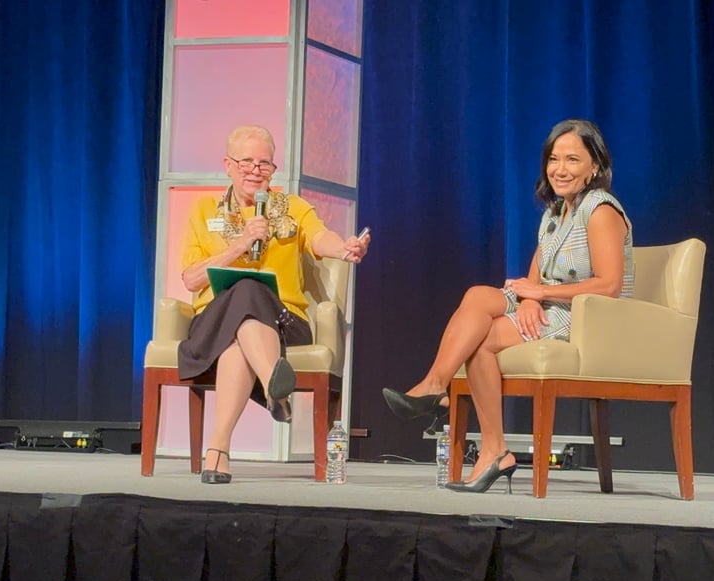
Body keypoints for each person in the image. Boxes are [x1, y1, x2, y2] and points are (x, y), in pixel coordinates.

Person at [382, 119, 633, 494]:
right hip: (553, 304)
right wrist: (530, 297)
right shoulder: (554, 214)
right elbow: (537, 275)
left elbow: (609, 286)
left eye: (572, 160)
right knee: (477, 296)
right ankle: (446, 397)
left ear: (594, 166)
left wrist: (539, 296)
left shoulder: (600, 210)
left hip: (587, 316)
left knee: (480, 340)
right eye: (553, 159)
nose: (559, 169)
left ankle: (476, 430)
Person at [178, 125, 370, 485]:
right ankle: (274, 387)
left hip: (283, 323)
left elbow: (319, 238)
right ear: (228, 165)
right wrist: (240, 246)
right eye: (247, 161)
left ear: (274, 170)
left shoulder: (292, 207)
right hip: (213, 321)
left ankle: (218, 450)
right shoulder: (203, 210)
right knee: (245, 292)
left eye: (265, 163)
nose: (255, 170)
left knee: (243, 323)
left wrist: (343, 247)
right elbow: (190, 279)